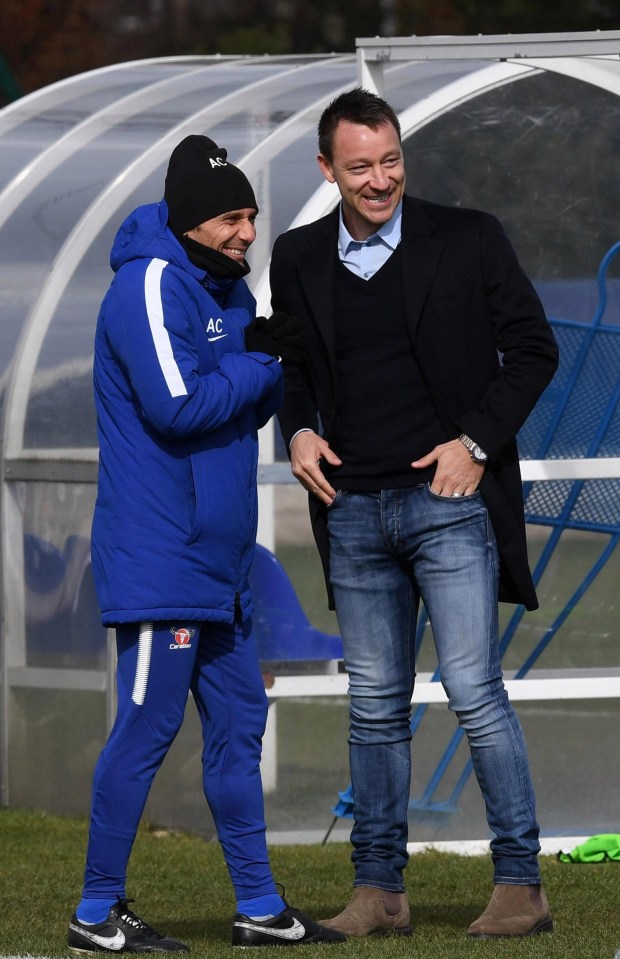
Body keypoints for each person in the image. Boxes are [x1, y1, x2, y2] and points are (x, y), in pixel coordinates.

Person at [269, 88, 559, 939]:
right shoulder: (294, 256)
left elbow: (534, 349)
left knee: (473, 687)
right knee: (373, 705)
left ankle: (520, 884)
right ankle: (379, 891)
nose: (380, 178)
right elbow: (290, 369)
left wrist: (473, 441)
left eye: (390, 159)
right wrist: (297, 433)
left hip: (448, 505)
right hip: (351, 512)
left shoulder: (469, 238)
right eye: (359, 166)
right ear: (327, 169)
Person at [68, 134, 345, 953]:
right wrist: (266, 365)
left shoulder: (221, 290)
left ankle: (259, 907)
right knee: (147, 727)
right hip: (162, 561)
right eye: (232, 216)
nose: (247, 232)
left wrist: (266, 364)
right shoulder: (150, 284)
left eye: (252, 215)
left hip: (221, 566)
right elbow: (180, 406)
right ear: (192, 221)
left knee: (239, 724)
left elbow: (244, 404)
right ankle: (95, 911)